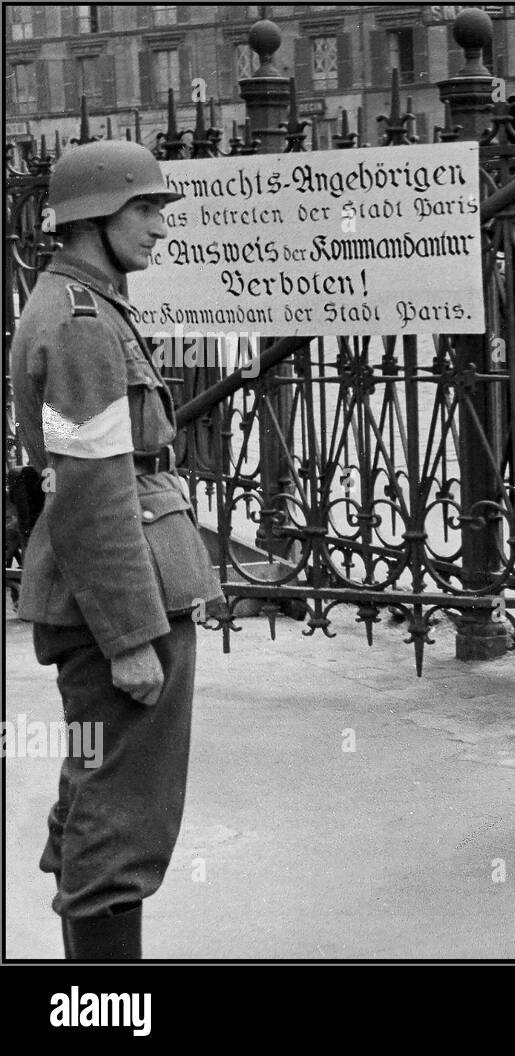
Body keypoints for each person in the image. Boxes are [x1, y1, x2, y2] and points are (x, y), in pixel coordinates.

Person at [10, 139, 224, 958]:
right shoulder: (82, 324)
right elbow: (92, 492)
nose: (161, 227)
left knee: (101, 808)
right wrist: (133, 637)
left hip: (120, 587)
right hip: (121, 603)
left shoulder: (82, 305)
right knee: (120, 828)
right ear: (93, 216)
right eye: (146, 208)